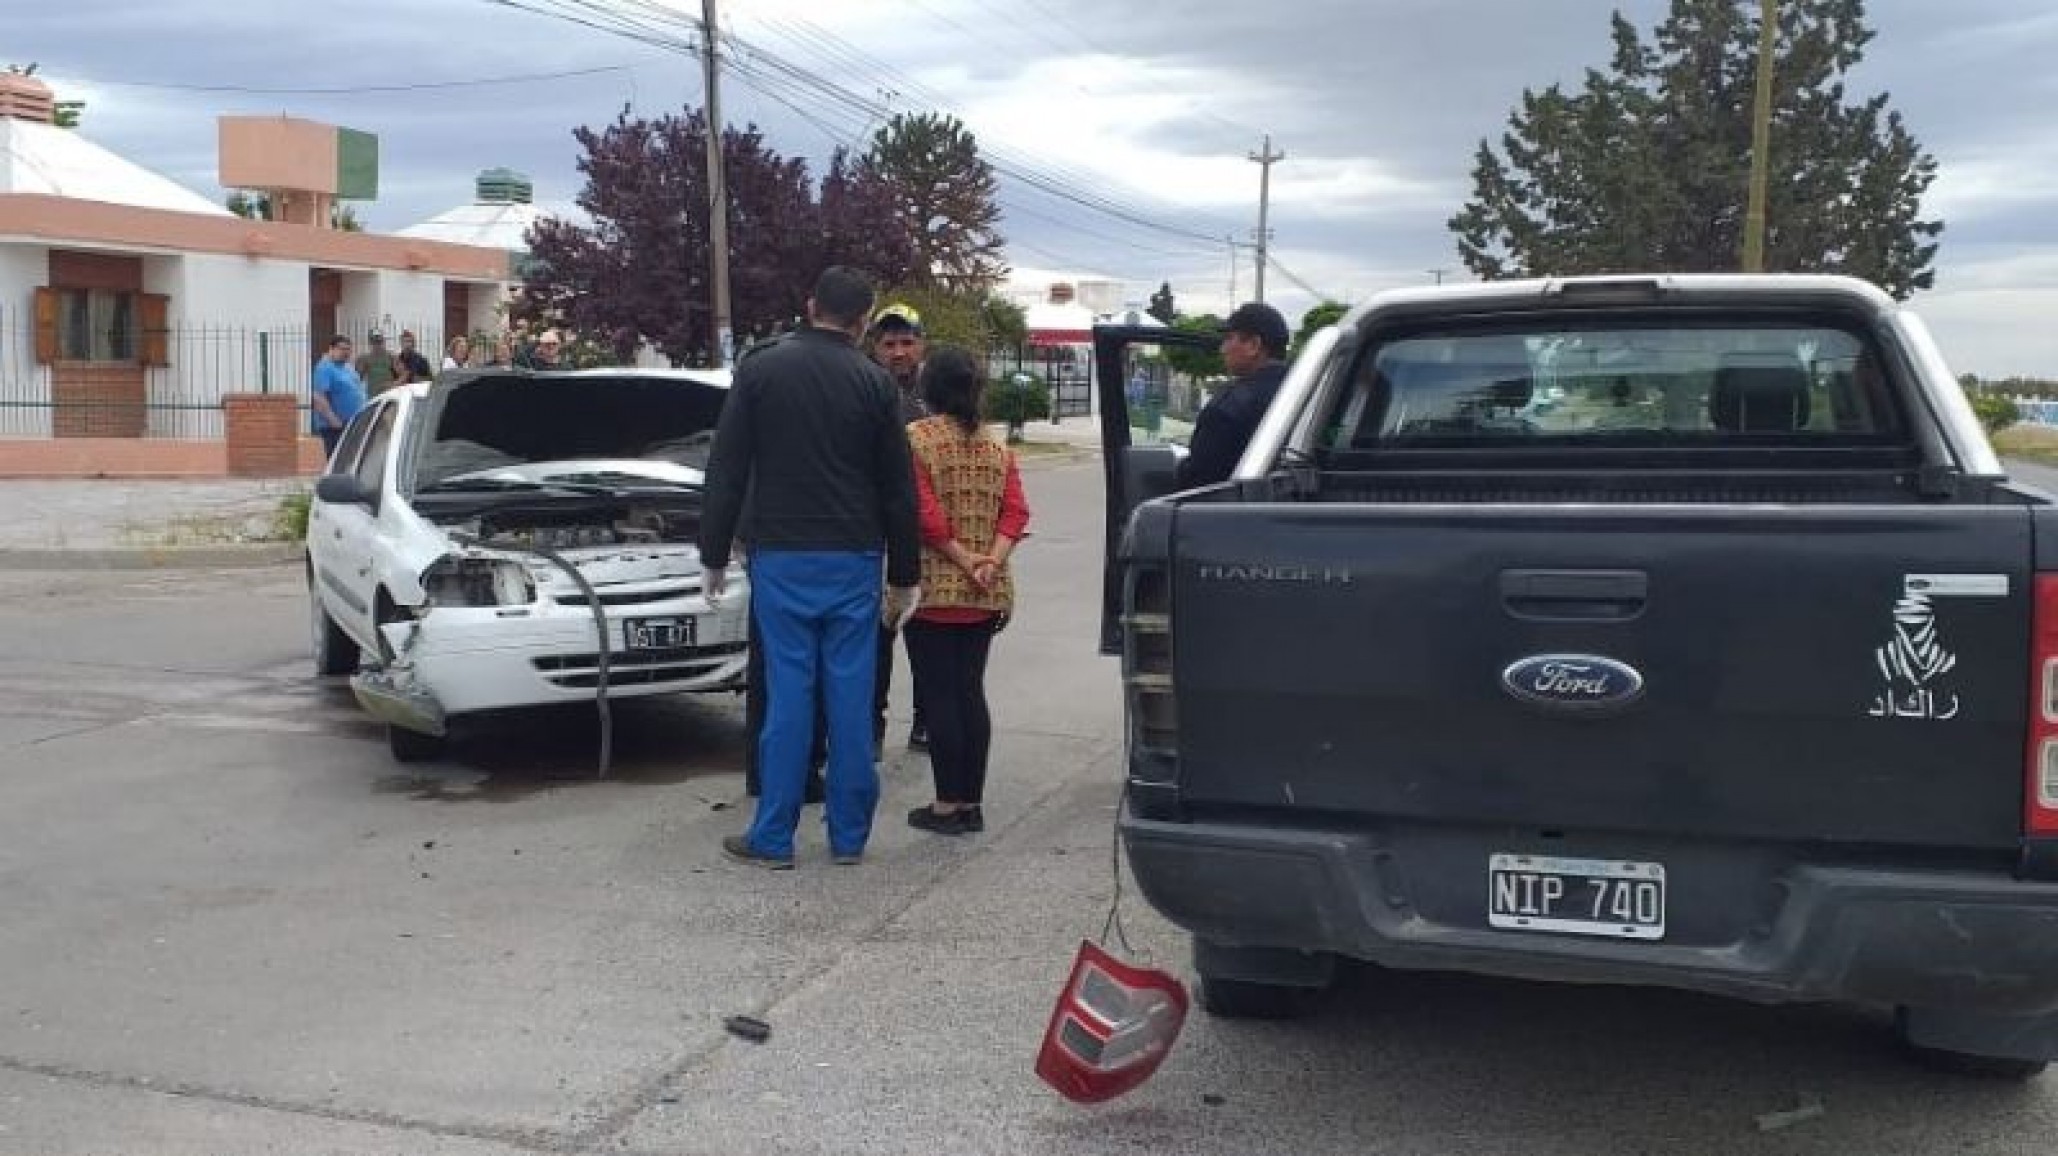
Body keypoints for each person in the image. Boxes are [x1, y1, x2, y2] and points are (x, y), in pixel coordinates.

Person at [699, 266, 921, 869]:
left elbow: (728, 467)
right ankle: (849, 837)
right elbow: (898, 488)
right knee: (851, 697)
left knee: (789, 697)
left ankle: (773, 836)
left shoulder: (762, 369)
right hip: (854, 556)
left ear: (809, 304)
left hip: (781, 557)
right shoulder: (878, 384)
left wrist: (713, 554)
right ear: (864, 319)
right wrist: (905, 574)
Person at [902, 346, 1030, 836]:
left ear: (929, 387)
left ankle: (945, 806)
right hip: (985, 593)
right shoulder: (998, 446)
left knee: (939, 698)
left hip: (935, 589)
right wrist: (990, 563)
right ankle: (972, 804)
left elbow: (924, 515)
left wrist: (962, 559)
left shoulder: (917, 438)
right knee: (970, 693)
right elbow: (1016, 512)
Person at [867, 302, 930, 753]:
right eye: (889, 344)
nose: (898, 352)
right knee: (876, 640)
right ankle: (872, 724)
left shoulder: (938, 397)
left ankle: (927, 721)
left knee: (926, 635)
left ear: (921, 345)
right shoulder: (864, 392)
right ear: (875, 348)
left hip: (928, 537)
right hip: (875, 535)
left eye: (907, 342)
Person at [1175, 302, 1292, 490]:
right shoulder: (1311, 394)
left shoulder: (1227, 408)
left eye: (1229, 339)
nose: (1223, 349)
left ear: (1254, 345)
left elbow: (1198, 485)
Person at [311, 335, 368, 458]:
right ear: (331, 349)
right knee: (338, 460)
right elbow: (319, 398)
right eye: (341, 349)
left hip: (352, 423)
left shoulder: (347, 367)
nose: (345, 352)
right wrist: (334, 421)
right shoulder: (325, 368)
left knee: (352, 459)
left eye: (348, 349)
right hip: (336, 427)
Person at [354, 332, 400, 396]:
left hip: (389, 395)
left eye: (379, 342)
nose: (377, 345)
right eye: (374, 342)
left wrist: (394, 384)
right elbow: (357, 379)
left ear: (383, 342)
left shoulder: (391, 357)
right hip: (373, 395)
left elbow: (404, 374)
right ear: (370, 343)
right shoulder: (364, 358)